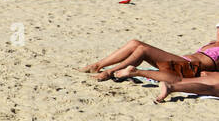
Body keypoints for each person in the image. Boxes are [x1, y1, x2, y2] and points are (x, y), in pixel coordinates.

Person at [81, 33, 219, 82]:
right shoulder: (213, 42)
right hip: (180, 62)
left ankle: (110, 72)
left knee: (143, 50)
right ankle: (97, 65)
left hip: (188, 69)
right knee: (135, 43)